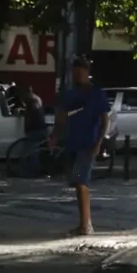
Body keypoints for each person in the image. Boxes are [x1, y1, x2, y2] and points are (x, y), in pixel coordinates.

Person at [50, 57, 110, 236]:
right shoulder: (69, 94)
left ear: (87, 72)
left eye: (81, 72)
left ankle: (86, 225)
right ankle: (84, 223)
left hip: (88, 143)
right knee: (76, 182)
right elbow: (61, 118)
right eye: (75, 72)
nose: (78, 75)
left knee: (81, 181)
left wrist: (99, 143)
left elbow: (104, 120)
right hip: (72, 143)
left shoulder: (96, 93)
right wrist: (55, 137)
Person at [18, 85, 48, 176]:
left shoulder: (30, 100)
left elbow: (33, 113)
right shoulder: (36, 98)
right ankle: (34, 171)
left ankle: (31, 172)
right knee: (35, 152)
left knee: (30, 152)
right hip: (40, 128)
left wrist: (27, 124)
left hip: (34, 129)